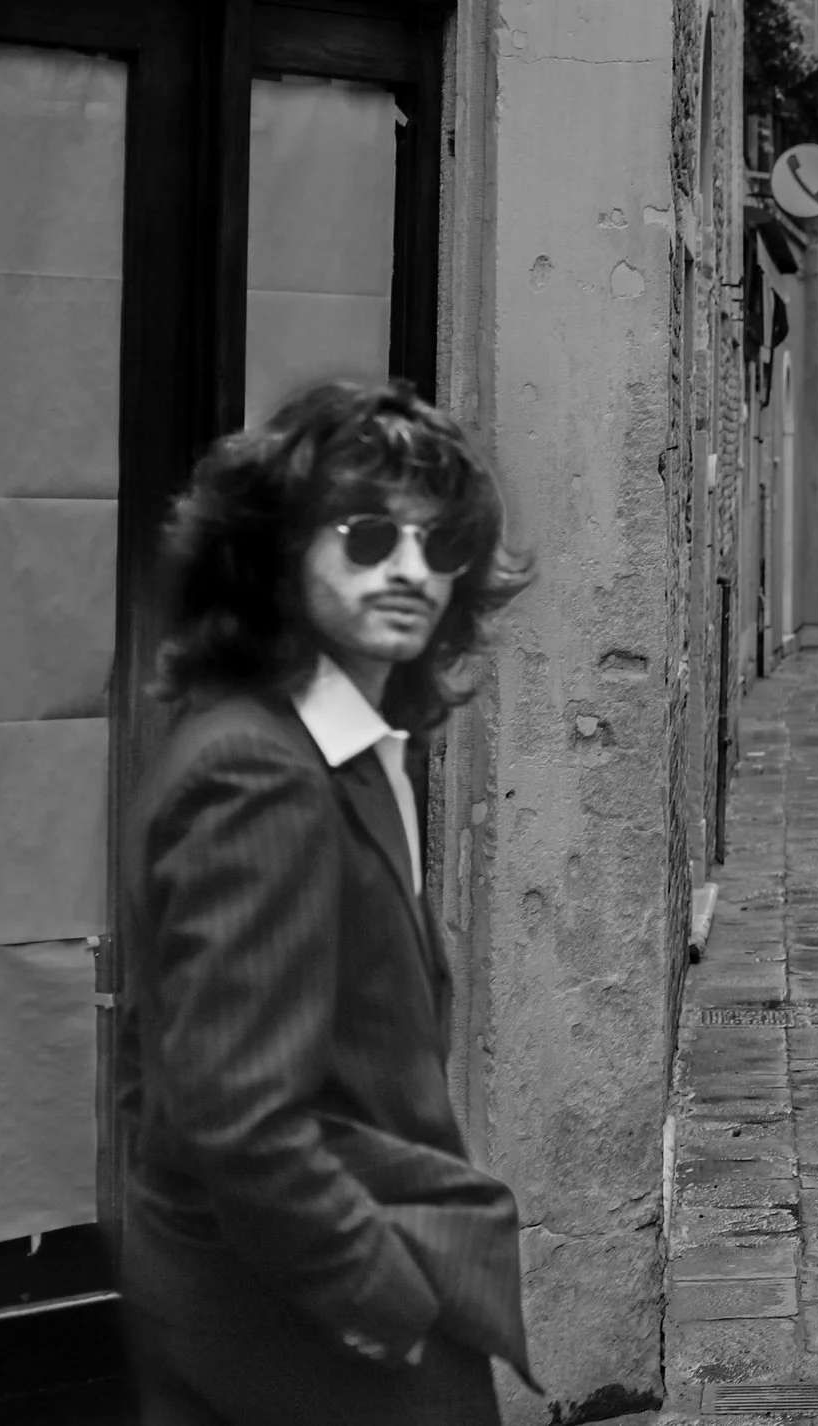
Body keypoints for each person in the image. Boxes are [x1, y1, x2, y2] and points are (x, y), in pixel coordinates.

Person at [119, 379, 536, 1426]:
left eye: (441, 545)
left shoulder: (341, 750)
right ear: (277, 549)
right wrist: (384, 1300)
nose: (409, 570)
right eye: (367, 535)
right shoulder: (260, 773)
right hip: (304, 1340)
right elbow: (235, 1115)